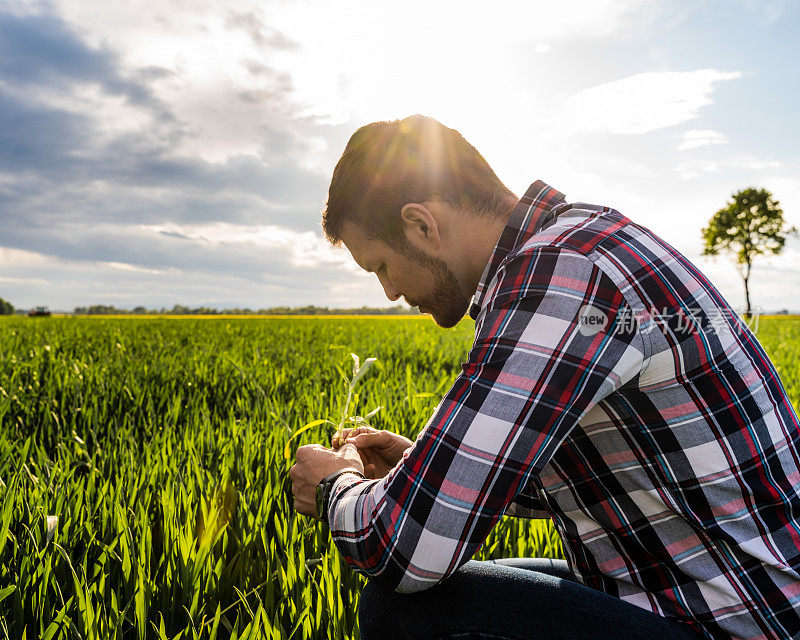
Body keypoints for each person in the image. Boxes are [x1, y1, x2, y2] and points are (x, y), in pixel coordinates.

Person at [289, 115, 800, 640]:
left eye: (380, 266)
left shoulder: (561, 276)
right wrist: (417, 467)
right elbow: (602, 472)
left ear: (422, 225)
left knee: (409, 611)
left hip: (741, 622)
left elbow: (406, 549)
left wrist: (334, 486)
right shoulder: (582, 241)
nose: (390, 292)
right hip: (699, 589)